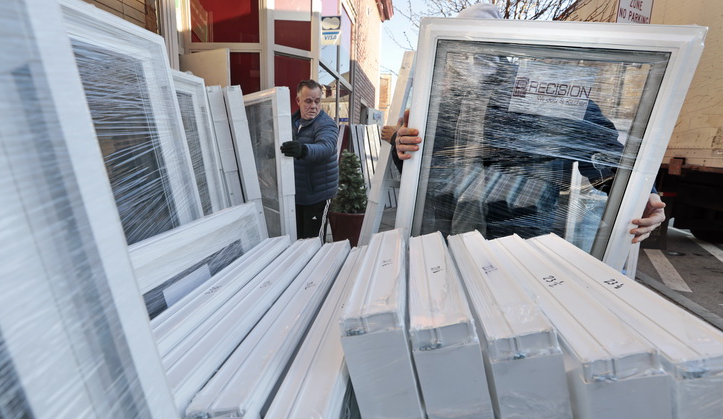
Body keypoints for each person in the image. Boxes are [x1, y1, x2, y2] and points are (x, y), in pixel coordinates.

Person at [391, 2, 666, 244]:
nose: (471, 58)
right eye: (462, 50)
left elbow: (600, 148)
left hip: (518, 238)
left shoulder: (537, 91)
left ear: (501, 47)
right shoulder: (444, 102)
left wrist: (642, 194)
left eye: (480, 47)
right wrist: (400, 146)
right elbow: (421, 167)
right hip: (443, 232)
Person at [280, 80, 339, 239]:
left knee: (313, 243)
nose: (313, 106)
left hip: (317, 196)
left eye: (317, 101)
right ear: (298, 101)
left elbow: (326, 147)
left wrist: (303, 149)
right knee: (297, 238)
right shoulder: (289, 123)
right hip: (296, 194)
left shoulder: (327, 124)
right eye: (308, 101)